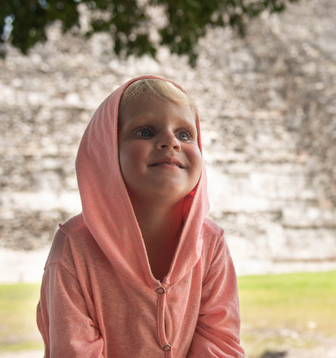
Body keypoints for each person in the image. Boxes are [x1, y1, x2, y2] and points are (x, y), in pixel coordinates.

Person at [36, 76, 244, 357]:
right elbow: (74, 350)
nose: (171, 142)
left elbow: (219, 342)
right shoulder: (75, 247)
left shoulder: (211, 243)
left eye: (184, 134)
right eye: (146, 132)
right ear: (106, 151)